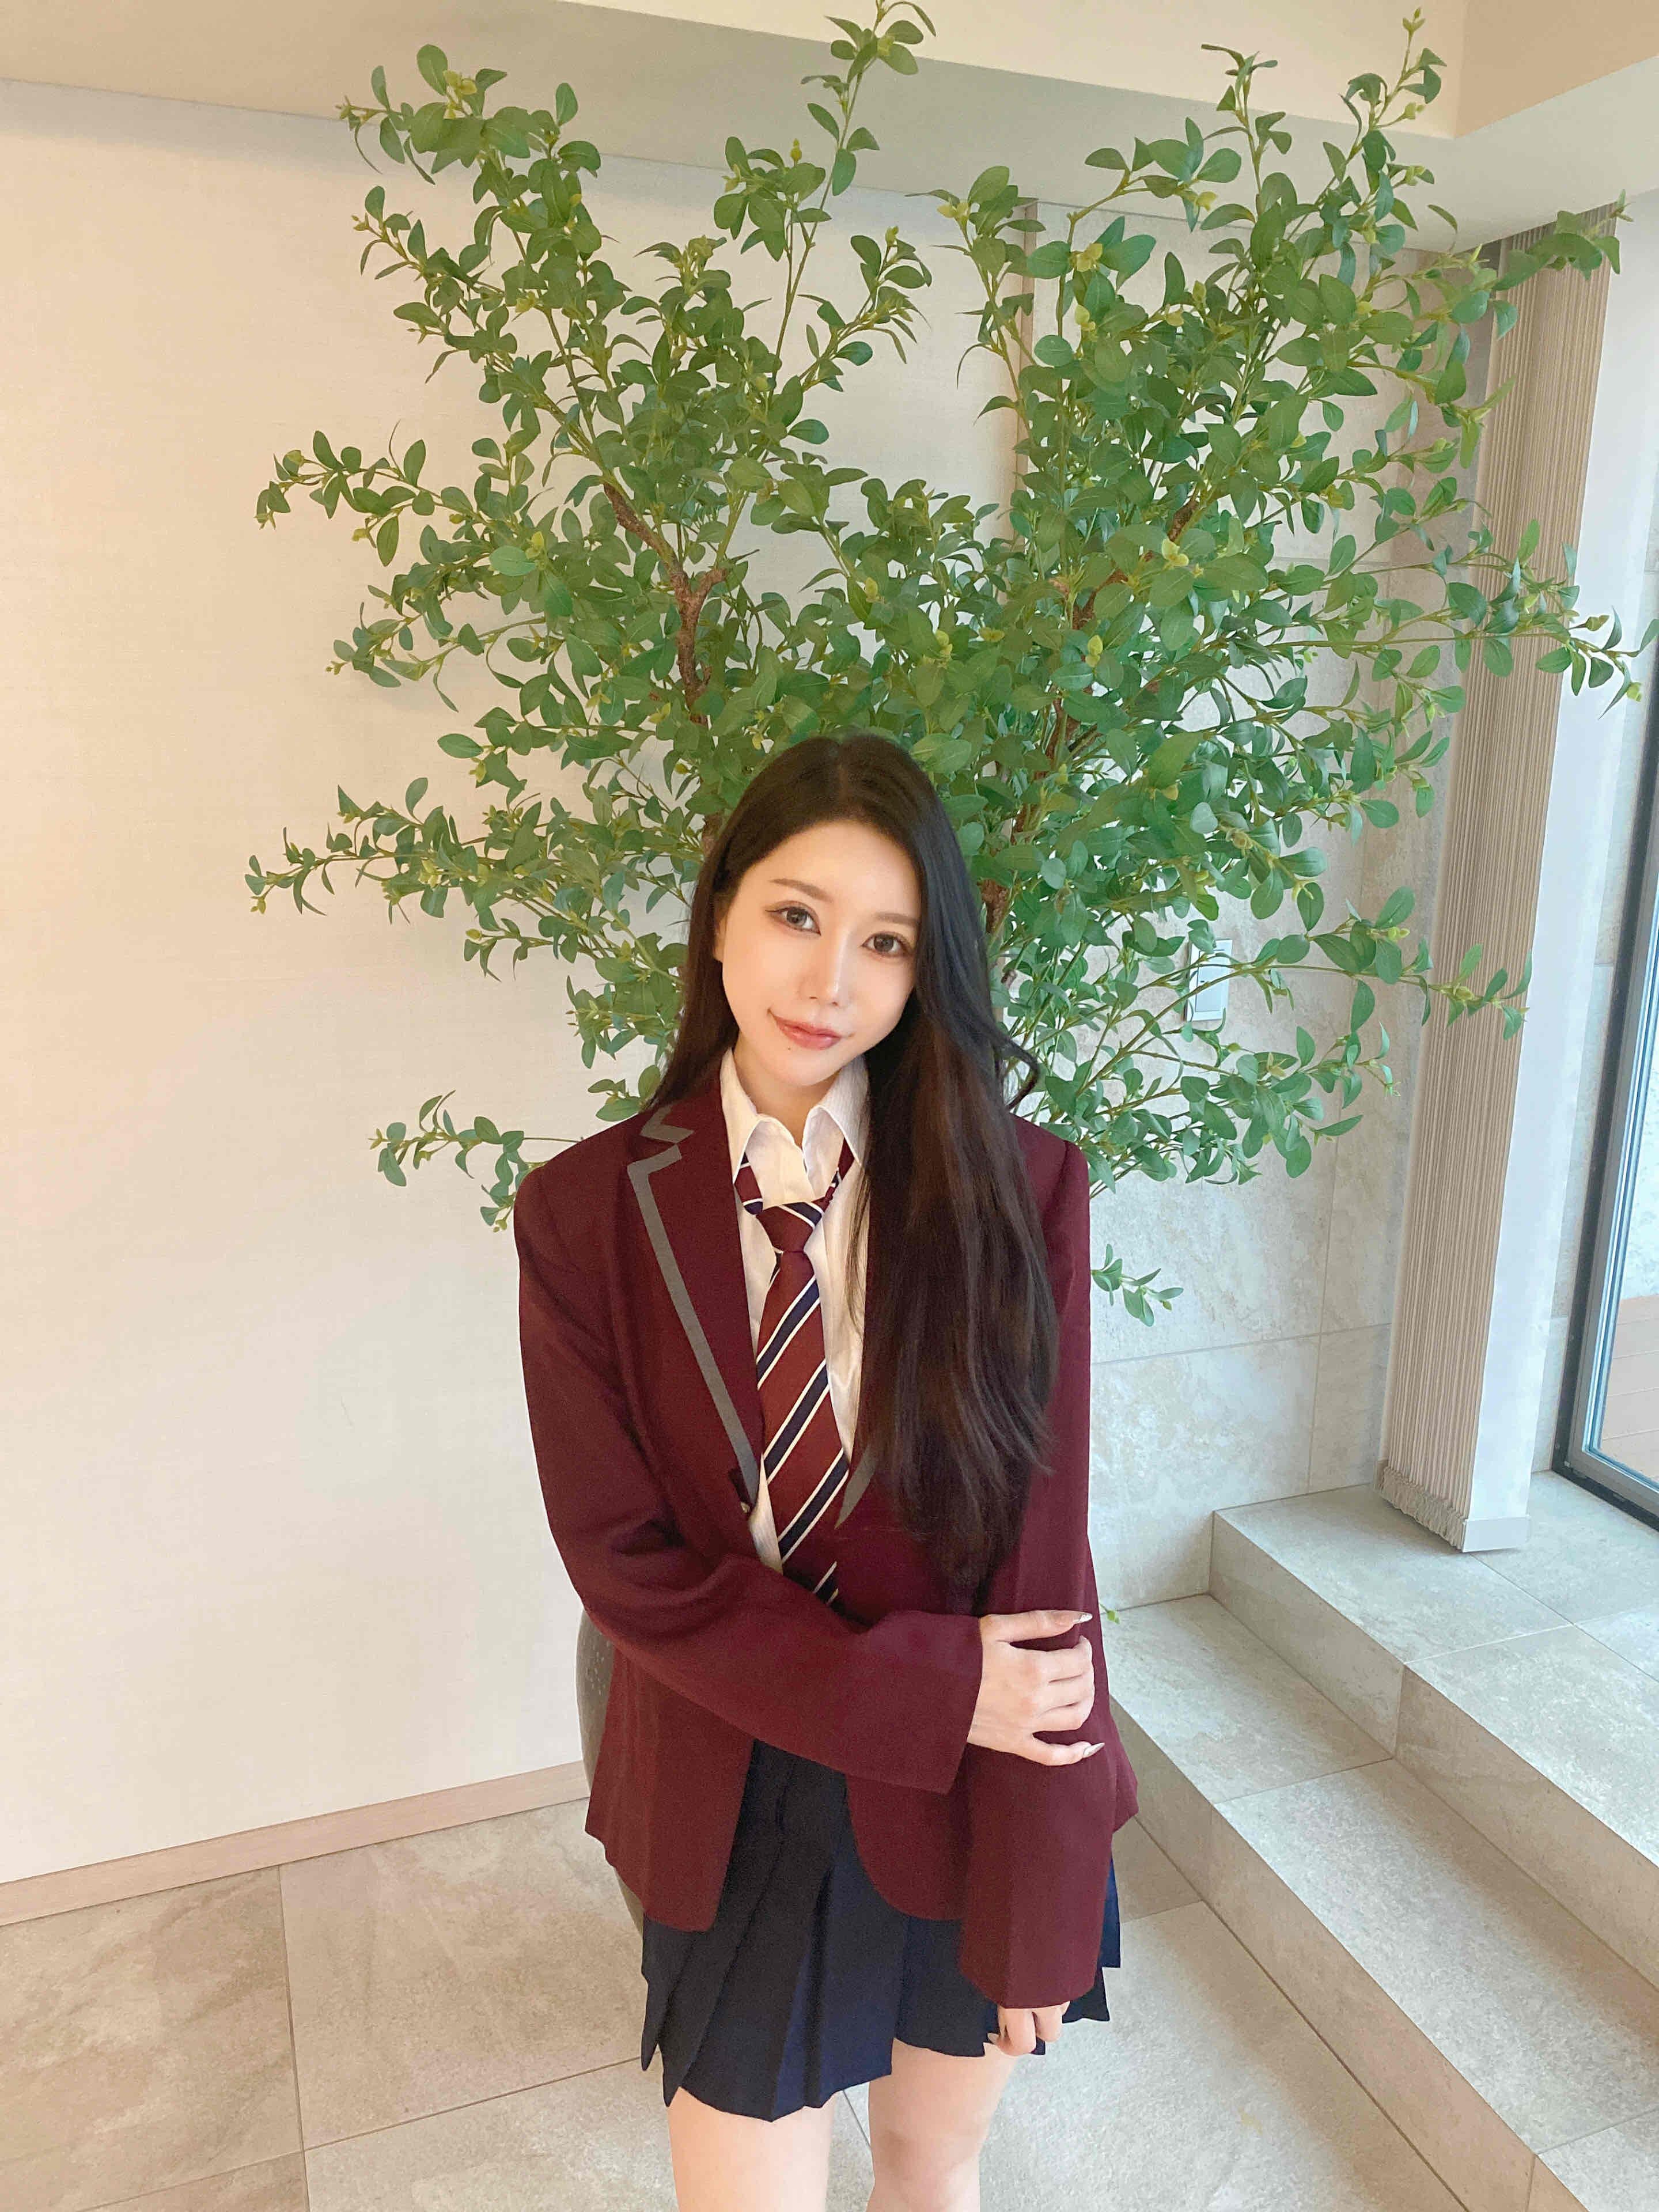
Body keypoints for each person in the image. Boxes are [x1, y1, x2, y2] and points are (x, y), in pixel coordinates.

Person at [513, 730, 1138, 2211]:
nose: (830, 982)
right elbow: (623, 1563)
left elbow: (1047, 1559)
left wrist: (1045, 1881)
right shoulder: (586, 1211)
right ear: (720, 914)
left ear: (927, 973)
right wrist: (928, 1689)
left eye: (886, 942)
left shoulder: (1021, 1187)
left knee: (932, 2170)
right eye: (797, 915)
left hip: (974, 1784)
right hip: (732, 1777)